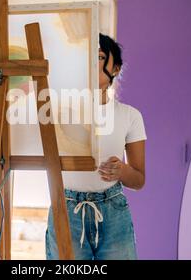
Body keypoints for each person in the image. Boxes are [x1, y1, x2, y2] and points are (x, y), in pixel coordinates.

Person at [45, 33, 147, 260]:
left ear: (116, 69)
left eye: (100, 57)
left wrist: (123, 171)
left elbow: (139, 180)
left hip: (113, 211)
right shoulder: (59, 109)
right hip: (66, 208)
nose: (92, 64)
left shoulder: (130, 116)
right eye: (87, 58)